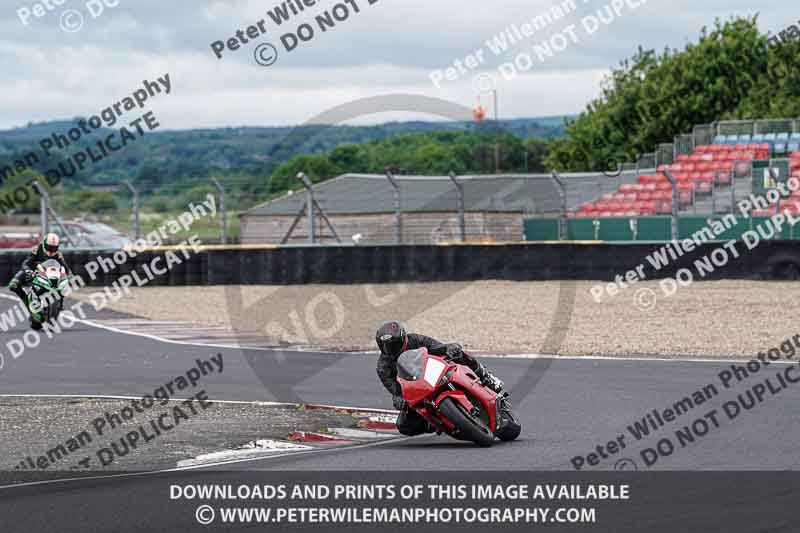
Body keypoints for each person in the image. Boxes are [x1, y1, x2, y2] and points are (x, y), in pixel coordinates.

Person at [375, 320, 504, 436]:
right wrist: (398, 398)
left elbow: (436, 347)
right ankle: (432, 423)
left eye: (393, 344)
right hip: (416, 388)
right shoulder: (383, 367)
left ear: (403, 338)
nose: (390, 349)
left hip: (433, 372)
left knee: (457, 352)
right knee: (404, 426)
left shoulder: (415, 339)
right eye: (384, 346)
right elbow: (395, 389)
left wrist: (448, 348)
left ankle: (486, 375)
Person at [7, 233, 70, 306]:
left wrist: (67, 275)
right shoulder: (37, 250)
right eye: (49, 247)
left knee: (64, 285)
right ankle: (27, 302)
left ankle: (60, 304)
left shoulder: (58, 254)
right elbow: (26, 263)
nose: (51, 251)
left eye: (54, 248)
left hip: (50, 274)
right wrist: (28, 271)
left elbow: (65, 267)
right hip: (34, 271)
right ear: (44, 244)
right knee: (13, 285)